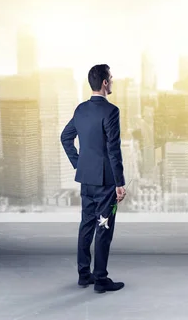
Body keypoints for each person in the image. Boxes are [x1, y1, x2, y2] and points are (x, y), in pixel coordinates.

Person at [60, 64, 126, 293]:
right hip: (107, 181)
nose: (113, 81)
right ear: (105, 83)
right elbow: (113, 150)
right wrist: (120, 183)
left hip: (86, 179)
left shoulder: (80, 110)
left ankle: (83, 275)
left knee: (86, 225)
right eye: (112, 78)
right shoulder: (111, 111)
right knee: (103, 227)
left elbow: (65, 138)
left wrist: (79, 164)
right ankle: (100, 279)